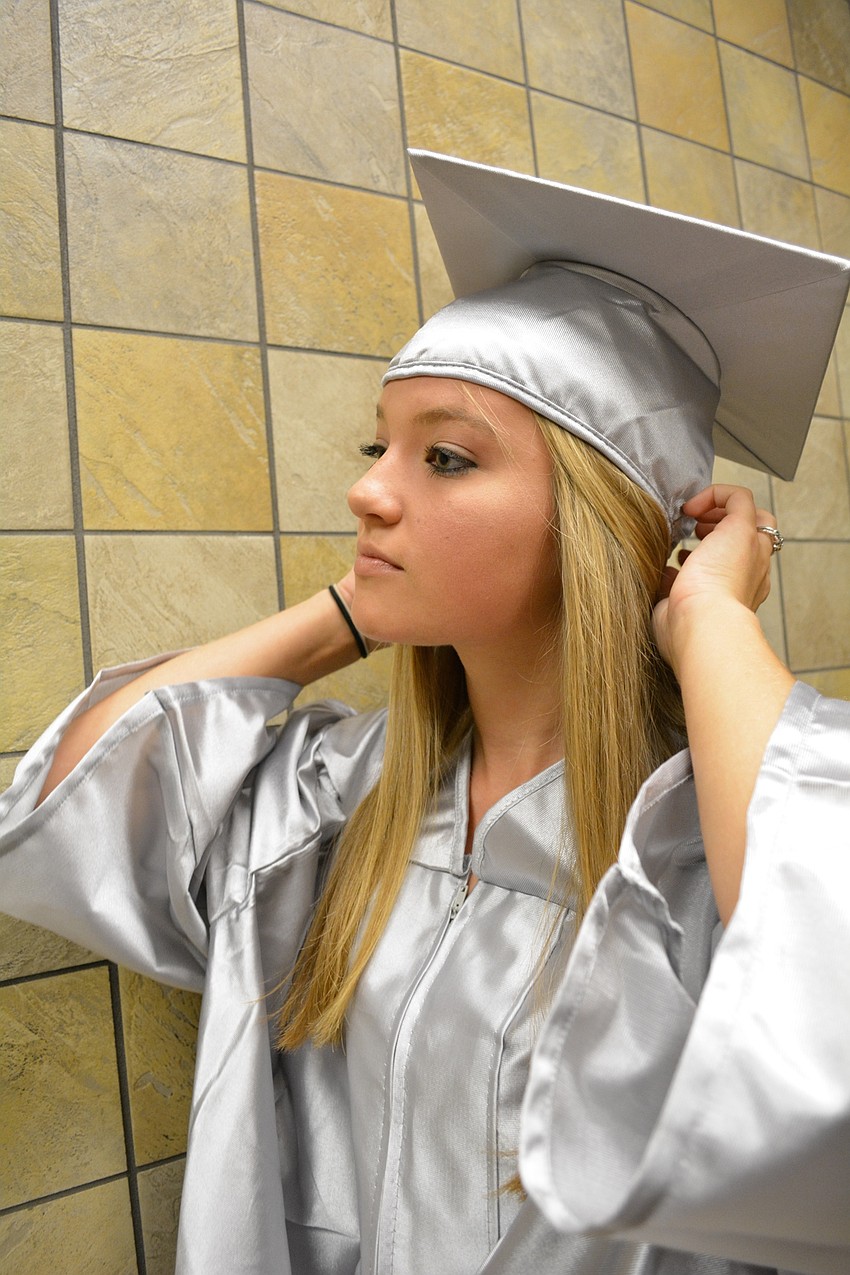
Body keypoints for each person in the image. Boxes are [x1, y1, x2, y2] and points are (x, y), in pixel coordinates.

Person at [1, 153, 848, 1275]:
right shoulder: (350, 800)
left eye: (445, 456)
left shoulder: (703, 841)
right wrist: (351, 613)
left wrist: (704, 617)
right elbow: (67, 812)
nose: (366, 489)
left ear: (594, 529)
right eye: (378, 447)